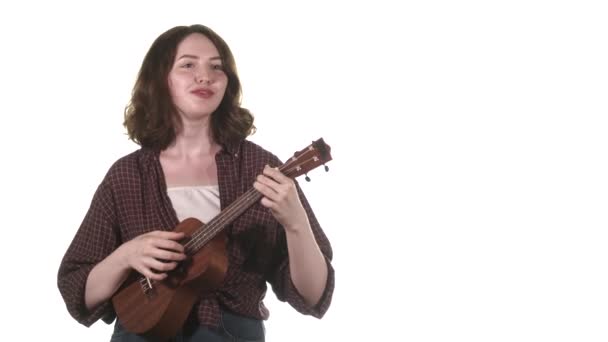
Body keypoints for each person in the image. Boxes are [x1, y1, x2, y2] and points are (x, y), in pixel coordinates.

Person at [57, 24, 334, 342]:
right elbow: (77, 289)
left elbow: (313, 296)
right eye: (188, 64)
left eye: (217, 67)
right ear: (161, 79)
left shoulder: (260, 168)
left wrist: (296, 224)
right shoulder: (127, 176)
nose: (205, 76)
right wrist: (125, 256)